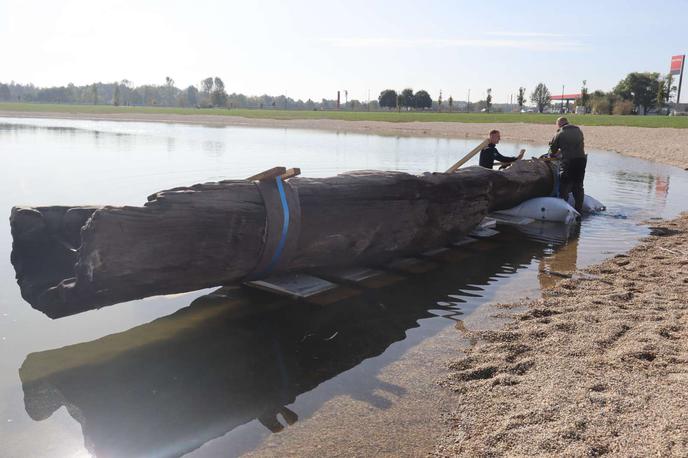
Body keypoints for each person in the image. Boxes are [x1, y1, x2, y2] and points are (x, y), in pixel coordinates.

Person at [548, 117, 587, 212]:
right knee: (578, 185)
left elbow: (553, 150)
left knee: (565, 185)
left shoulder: (560, 132)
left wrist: (553, 152)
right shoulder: (578, 130)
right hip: (581, 160)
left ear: (560, 124)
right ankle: (579, 209)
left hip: (568, 162)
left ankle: (564, 210)